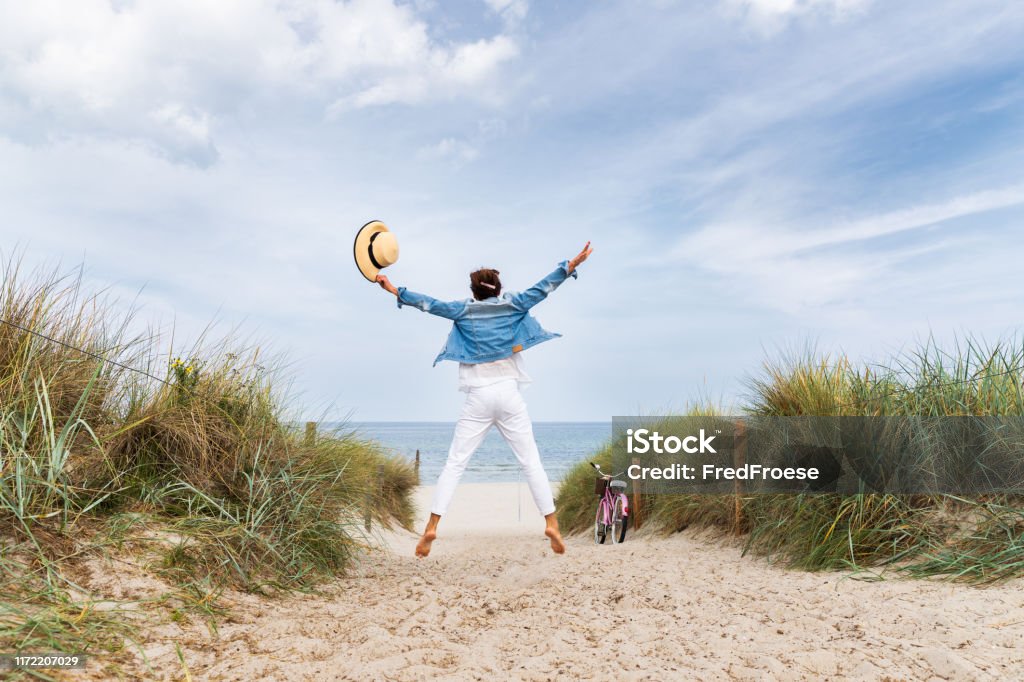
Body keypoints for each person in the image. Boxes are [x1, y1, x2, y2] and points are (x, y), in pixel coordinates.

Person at [375, 242, 594, 557]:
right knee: (531, 462)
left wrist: (393, 289)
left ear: (474, 292)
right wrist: (572, 264)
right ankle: (552, 524)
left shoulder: (463, 310)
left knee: (455, 463)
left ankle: (432, 527)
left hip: (478, 397)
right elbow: (544, 288)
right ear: (498, 289)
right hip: (509, 394)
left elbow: (428, 303)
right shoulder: (514, 305)